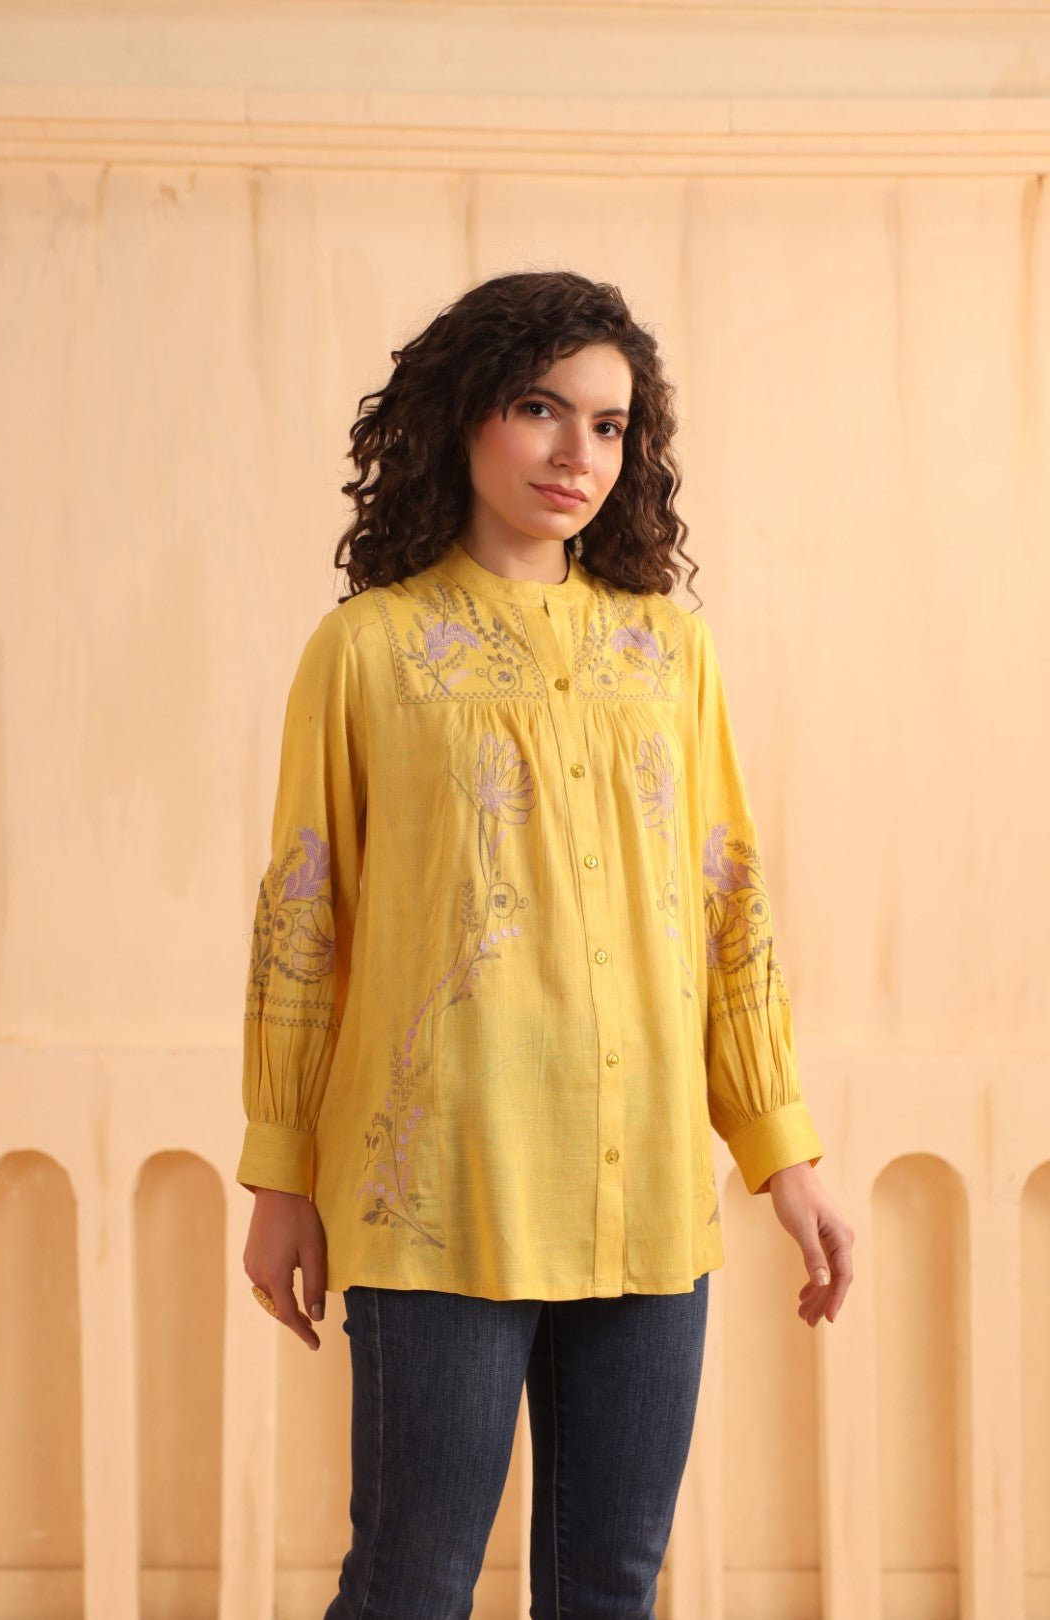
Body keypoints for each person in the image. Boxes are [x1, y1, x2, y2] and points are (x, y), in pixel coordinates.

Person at [238, 269, 854, 1618]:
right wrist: (280, 1174)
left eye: (610, 425)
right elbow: (302, 916)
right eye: (540, 409)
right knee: (411, 1583)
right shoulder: (367, 651)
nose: (579, 452)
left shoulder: (669, 653)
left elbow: (728, 901)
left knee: (610, 1588)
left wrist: (782, 1152)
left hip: (645, 1199)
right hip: (438, 1193)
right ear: (466, 416)